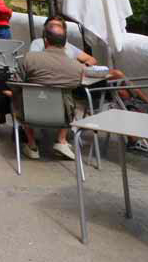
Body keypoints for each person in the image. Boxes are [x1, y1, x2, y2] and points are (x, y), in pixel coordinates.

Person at [16, 21, 102, 161]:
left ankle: (32, 144)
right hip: (62, 117)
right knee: (71, 98)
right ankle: (61, 140)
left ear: (45, 40)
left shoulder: (29, 58)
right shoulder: (77, 68)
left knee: (19, 94)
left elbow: (16, 83)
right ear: (65, 43)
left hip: (29, 113)